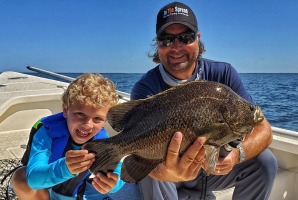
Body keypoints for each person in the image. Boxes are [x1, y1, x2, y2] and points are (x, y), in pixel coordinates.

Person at [131, 2, 278, 200]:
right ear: (157, 44)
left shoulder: (223, 73)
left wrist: (236, 155)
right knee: (153, 169)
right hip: (168, 174)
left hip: (208, 171)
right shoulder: (146, 88)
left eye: (186, 38)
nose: (176, 46)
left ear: (197, 40)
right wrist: (170, 173)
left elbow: (264, 130)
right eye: (166, 40)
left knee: (265, 161)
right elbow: (139, 154)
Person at [10, 73, 129, 200]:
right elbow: (33, 180)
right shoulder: (46, 132)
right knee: (19, 177)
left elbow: (118, 172)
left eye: (97, 118)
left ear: (105, 120)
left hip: (78, 194)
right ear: (66, 110)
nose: (87, 125)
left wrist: (113, 184)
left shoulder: (103, 141)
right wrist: (65, 168)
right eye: (80, 114)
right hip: (45, 193)